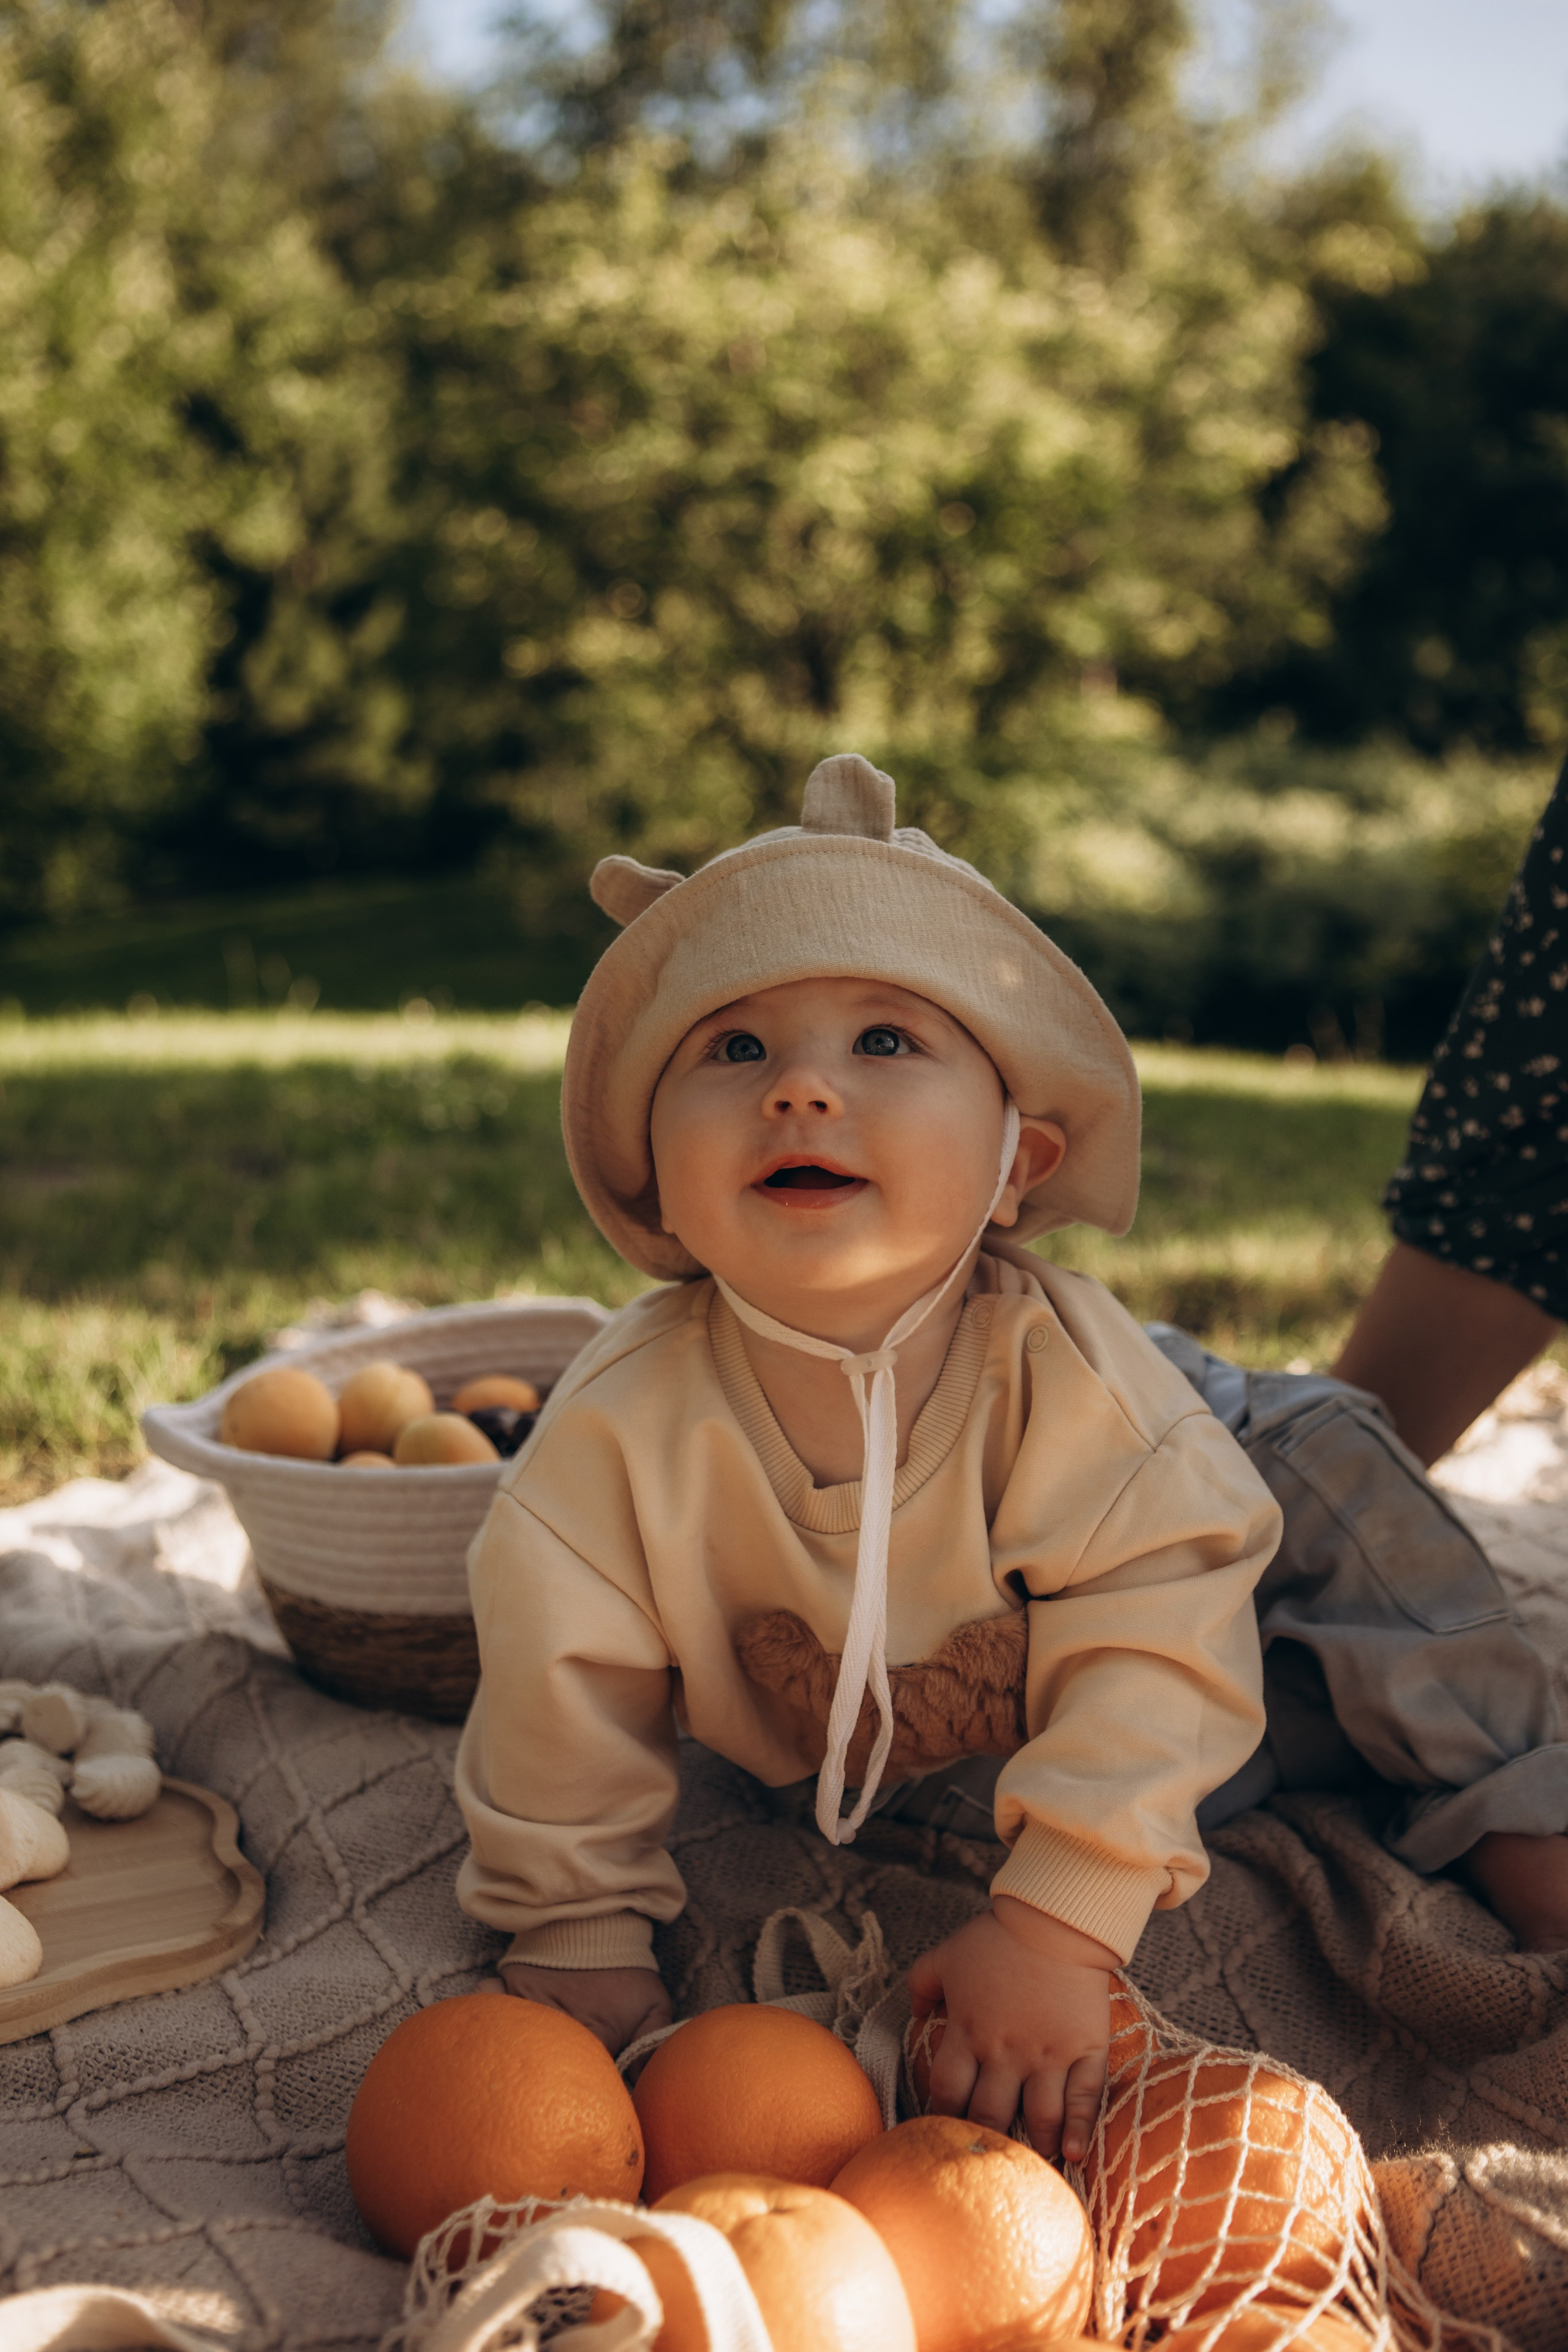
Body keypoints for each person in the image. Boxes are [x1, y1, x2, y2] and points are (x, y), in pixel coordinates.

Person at [456, 752, 1282, 2165]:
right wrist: (575, 1920)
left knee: (1334, 1579)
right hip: (842, 1755)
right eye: (733, 1051)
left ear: (1016, 1165)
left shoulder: (1069, 1388)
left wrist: (1060, 1917)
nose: (797, 1091)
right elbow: (557, 1680)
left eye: (883, 1042)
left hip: (1161, 1577)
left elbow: (1167, 1624)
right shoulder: (616, 1431)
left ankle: (1507, 1804)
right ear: (651, 1174)